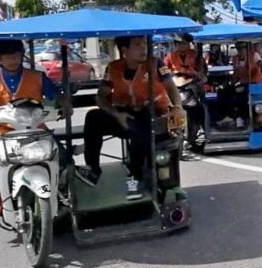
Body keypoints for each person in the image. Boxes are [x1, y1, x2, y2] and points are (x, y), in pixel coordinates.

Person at [0, 39, 70, 217]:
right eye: (7, 57)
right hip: (9, 133)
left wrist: (65, 105)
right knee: (5, 163)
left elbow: (55, 95)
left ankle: (63, 192)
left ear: (22, 56)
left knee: (64, 158)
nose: (13, 60)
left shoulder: (37, 77)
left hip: (38, 130)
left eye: (16, 56)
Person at [76, 35, 185, 200]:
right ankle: (93, 169)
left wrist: (177, 107)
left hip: (153, 116)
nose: (144, 48)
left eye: (144, 44)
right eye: (137, 45)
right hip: (123, 115)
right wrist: (116, 114)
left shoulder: (156, 64)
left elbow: (172, 88)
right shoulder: (112, 68)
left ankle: (136, 176)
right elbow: (101, 97)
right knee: (93, 117)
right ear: (124, 50)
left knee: (143, 122)